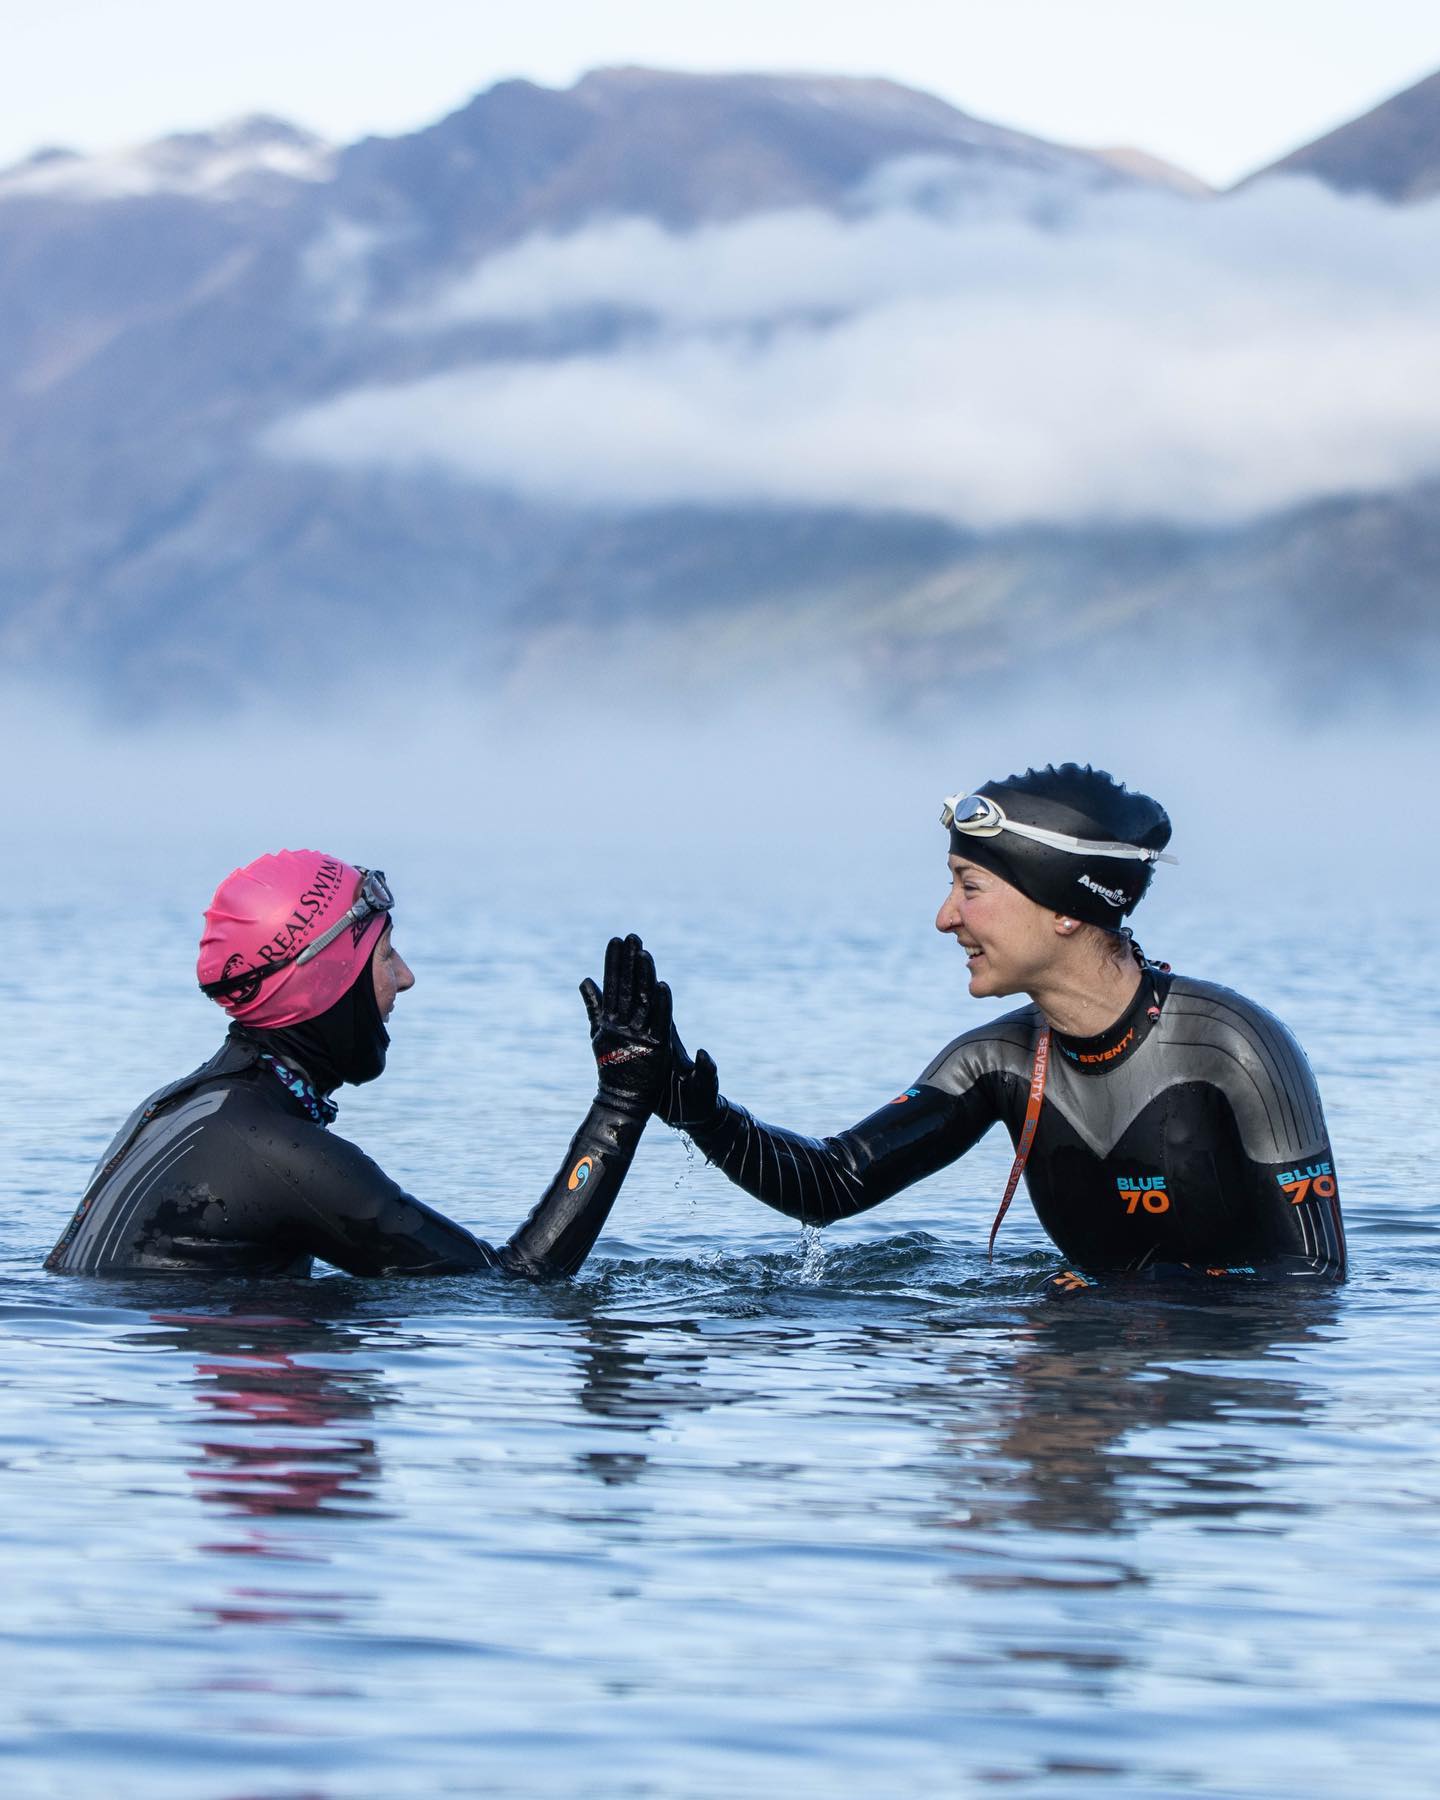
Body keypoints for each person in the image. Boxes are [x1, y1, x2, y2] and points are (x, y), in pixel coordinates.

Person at [646, 764, 1345, 1288]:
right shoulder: (994, 1061)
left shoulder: (1234, 1046)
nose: (945, 917)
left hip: (1207, 1424)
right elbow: (833, 1184)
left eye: (969, 887)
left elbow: (1313, 1282)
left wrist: (1129, 1313)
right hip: (1074, 1374)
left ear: (1066, 908)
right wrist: (701, 1112)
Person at [46, 851, 669, 1278]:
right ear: (324, 982)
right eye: (386, 955)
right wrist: (620, 1101)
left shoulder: (178, 1108)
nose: (406, 977)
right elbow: (515, 1286)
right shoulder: (280, 1154)